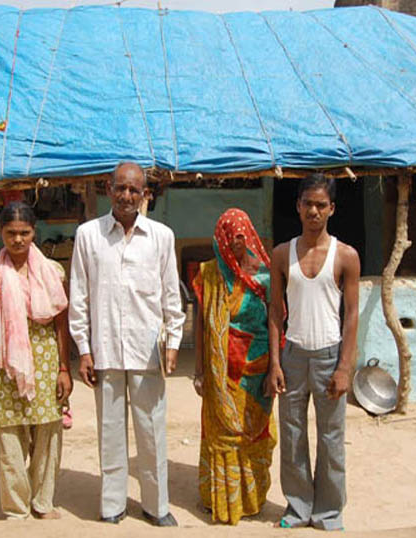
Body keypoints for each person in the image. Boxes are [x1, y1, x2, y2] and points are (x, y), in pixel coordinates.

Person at [69, 162, 185, 527]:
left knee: (151, 430)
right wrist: (83, 348)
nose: (127, 196)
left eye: (135, 190)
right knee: (110, 432)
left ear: (145, 194)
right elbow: (79, 297)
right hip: (105, 349)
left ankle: (156, 506)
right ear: (109, 189)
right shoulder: (88, 235)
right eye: (121, 188)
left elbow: (171, 295)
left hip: (147, 348)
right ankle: (112, 505)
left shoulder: (162, 236)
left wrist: (174, 342)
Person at [264, 175, 360, 531]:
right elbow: (276, 312)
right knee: (291, 436)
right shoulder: (281, 254)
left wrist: (344, 367)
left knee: (331, 436)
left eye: (321, 205)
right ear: (298, 206)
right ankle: (298, 506)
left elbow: (351, 315)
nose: (314, 211)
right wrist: (275, 362)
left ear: (332, 208)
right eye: (308, 203)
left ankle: (329, 511)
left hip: (329, 356)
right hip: (293, 355)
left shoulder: (346, 256)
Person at [0, 201, 73, 520]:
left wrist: (64, 369)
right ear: (1, 232)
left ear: (34, 233)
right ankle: (16, 506)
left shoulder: (53, 271)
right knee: (10, 437)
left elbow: (61, 323)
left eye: (25, 233)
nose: (18, 240)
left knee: (48, 435)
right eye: (11, 233)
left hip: (46, 363)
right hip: (5, 365)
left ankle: (43, 502)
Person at [192, 208, 277, 525]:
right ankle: (219, 499)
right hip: (220, 374)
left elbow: (275, 322)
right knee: (222, 437)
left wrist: (275, 369)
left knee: (255, 436)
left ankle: (252, 499)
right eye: (230, 237)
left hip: (257, 372)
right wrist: (200, 371)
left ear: (250, 235)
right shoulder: (209, 275)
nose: (236, 242)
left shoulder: (266, 276)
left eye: (241, 235)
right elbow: (201, 325)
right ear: (221, 240)